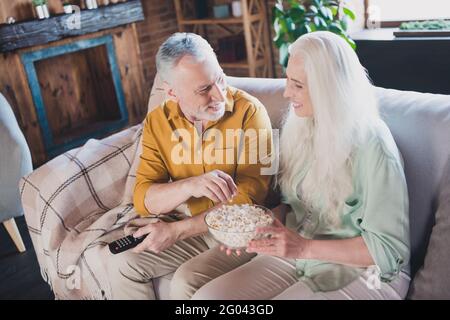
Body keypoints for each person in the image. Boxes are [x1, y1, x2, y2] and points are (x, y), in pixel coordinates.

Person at [190, 31, 411, 300]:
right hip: (302, 253)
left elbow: (389, 251)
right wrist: (255, 230)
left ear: (327, 88)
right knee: (207, 299)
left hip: (367, 270)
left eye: (297, 85)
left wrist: (302, 248)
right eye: (287, 80)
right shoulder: (302, 124)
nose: (286, 93)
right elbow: (297, 208)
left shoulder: (373, 145)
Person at [105, 32, 273, 299]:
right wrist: (191, 185)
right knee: (120, 263)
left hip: (243, 230)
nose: (219, 94)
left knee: (185, 282)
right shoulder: (158, 122)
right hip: (195, 225)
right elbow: (143, 198)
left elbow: (250, 199)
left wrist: (178, 230)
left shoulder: (250, 112)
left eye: (219, 78)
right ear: (172, 92)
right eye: (204, 89)